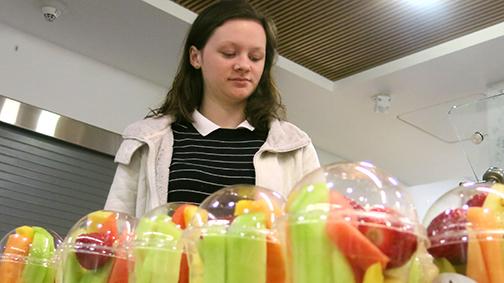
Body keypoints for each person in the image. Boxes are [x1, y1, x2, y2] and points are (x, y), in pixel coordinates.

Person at [104, 0, 320, 217]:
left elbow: (318, 231)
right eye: (228, 53)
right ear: (196, 57)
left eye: (255, 57)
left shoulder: (294, 147)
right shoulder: (148, 140)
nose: (244, 65)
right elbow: (115, 230)